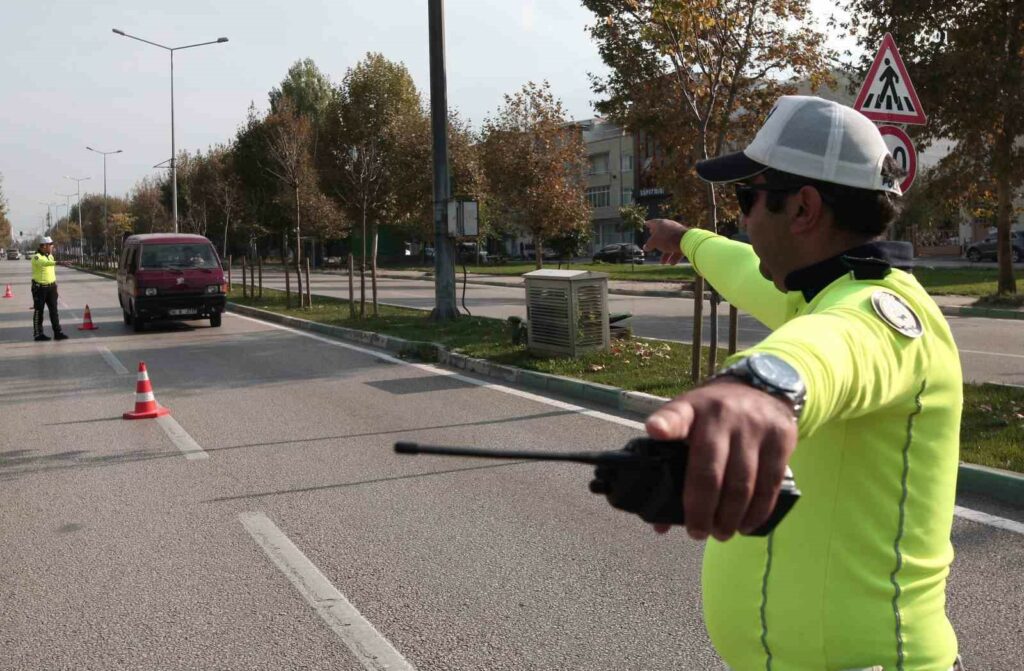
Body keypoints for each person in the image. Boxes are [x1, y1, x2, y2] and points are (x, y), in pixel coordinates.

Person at [643, 96, 962, 670]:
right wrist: (684, 238)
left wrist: (750, 395)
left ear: (803, 209)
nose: (743, 220)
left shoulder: (884, 314)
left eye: (747, 198)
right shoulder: (819, 290)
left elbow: (828, 353)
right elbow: (741, 267)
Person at [31, 236, 68, 342]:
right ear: (44, 246)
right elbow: (44, 263)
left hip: (51, 288)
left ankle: (57, 332)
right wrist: (58, 262)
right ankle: (38, 334)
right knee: (39, 311)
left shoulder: (50, 256)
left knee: (54, 311)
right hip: (40, 288)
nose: (52, 247)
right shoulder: (36, 257)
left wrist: (55, 286)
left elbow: (50, 269)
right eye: (51, 245)